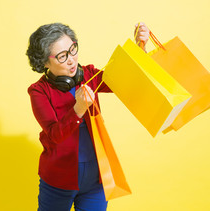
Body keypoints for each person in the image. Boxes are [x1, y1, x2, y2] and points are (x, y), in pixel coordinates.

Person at [26, 22, 149, 211]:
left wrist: (140, 48)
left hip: (96, 180)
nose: (71, 60)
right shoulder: (39, 91)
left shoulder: (88, 74)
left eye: (72, 49)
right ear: (44, 62)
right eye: (62, 56)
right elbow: (54, 135)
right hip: (58, 182)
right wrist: (78, 109)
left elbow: (124, 81)